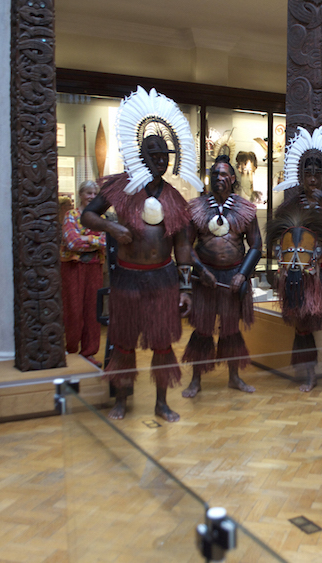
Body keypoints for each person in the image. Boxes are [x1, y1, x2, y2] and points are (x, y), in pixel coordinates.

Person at [81, 87, 202, 421]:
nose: (159, 159)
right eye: (152, 153)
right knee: (122, 342)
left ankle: (161, 403)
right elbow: (87, 215)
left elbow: (182, 246)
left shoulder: (175, 198)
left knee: (163, 344)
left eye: (164, 154)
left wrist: (187, 287)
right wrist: (113, 228)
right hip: (128, 278)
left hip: (162, 279)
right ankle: (121, 399)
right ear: (140, 153)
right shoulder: (121, 187)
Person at [267, 126, 322, 397]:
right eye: (308, 172)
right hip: (300, 275)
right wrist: (278, 253)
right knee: (303, 325)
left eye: (318, 172)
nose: (313, 177)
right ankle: (308, 375)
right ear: (301, 174)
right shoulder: (290, 205)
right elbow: (277, 240)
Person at [182, 155, 262, 397]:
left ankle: (234, 377)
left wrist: (242, 275)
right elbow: (185, 246)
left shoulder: (246, 209)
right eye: (214, 174)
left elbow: (256, 245)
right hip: (205, 276)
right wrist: (200, 270)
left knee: (230, 329)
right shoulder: (196, 208)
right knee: (203, 328)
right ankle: (196, 380)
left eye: (223, 174)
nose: (218, 178)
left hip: (233, 276)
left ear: (233, 178)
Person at [61, 180, 106, 367]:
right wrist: (93, 239)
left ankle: (89, 352)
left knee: (92, 311)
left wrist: (85, 238)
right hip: (73, 268)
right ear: (80, 194)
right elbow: (72, 242)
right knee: (74, 309)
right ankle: (71, 350)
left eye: (95, 194)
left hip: (94, 268)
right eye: (88, 193)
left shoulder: (101, 218)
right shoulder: (71, 215)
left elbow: (106, 241)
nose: (91, 197)